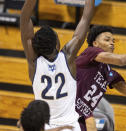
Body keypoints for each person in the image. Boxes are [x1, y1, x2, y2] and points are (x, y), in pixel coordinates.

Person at [20, 0, 95, 130]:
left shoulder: (34, 63)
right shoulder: (68, 57)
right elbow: (85, 19)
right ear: (56, 44)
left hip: (45, 127)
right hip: (70, 127)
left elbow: (24, 20)